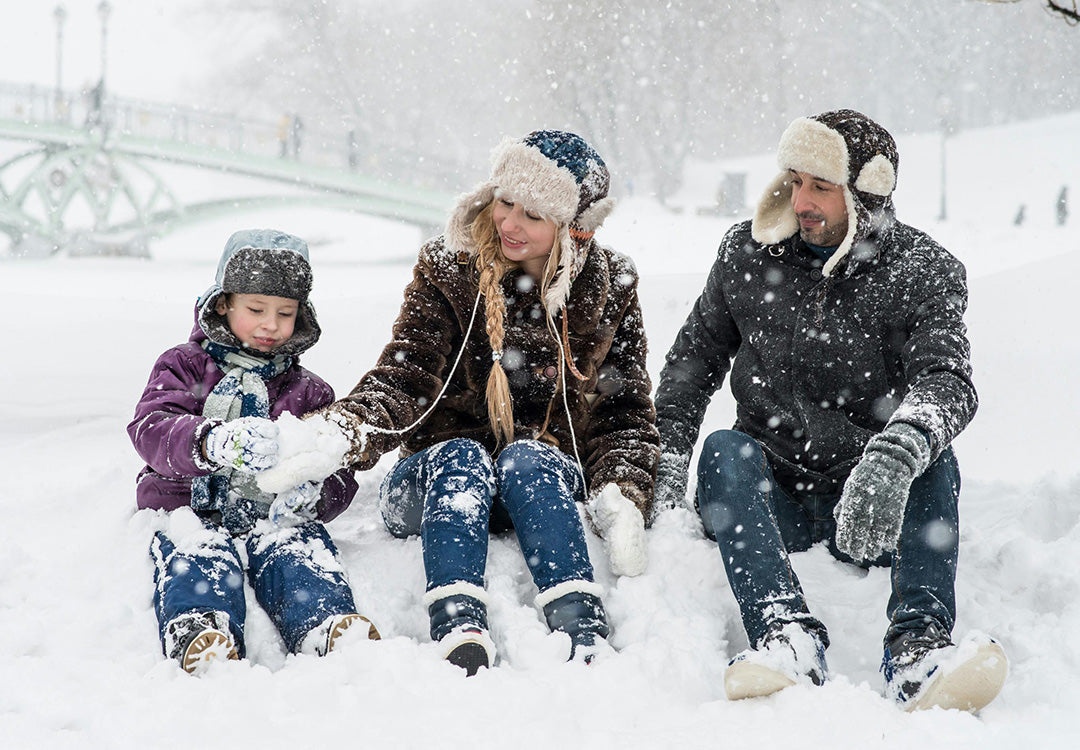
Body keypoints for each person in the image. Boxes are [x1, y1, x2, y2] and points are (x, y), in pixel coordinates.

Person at [263, 130, 659, 675]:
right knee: (462, 457)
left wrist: (622, 488)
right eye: (505, 202)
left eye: (534, 215)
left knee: (530, 458)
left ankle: (580, 623)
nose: (509, 224)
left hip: (537, 487)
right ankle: (458, 621)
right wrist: (342, 431)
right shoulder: (449, 267)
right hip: (437, 482)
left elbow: (625, 409)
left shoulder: (611, 283)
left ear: (574, 229)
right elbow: (406, 375)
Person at [653, 110, 1007, 712]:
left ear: (865, 192)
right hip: (771, 498)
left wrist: (894, 458)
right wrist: (660, 469)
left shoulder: (922, 271)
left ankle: (919, 650)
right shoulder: (746, 254)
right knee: (722, 451)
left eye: (821, 186)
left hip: (872, 506)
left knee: (933, 456)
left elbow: (948, 380)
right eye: (795, 181)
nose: (802, 200)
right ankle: (784, 635)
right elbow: (691, 367)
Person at [128, 229, 379, 675]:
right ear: (223, 303)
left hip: (271, 514)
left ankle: (324, 622)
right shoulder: (184, 365)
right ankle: (202, 625)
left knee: (298, 549)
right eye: (257, 309)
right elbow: (152, 427)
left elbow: (337, 467)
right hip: (187, 504)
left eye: (285, 313)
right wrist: (210, 441)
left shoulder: (310, 391)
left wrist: (316, 494)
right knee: (198, 551)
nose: (271, 325)